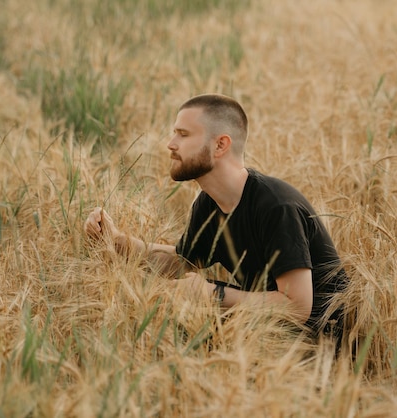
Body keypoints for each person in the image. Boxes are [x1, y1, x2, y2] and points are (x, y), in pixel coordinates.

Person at [84, 93, 347, 343]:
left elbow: (298, 307)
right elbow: (180, 262)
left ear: (220, 145)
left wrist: (214, 294)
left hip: (321, 342)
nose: (170, 144)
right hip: (265, 330)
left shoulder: (276, 206)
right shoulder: (208, 203)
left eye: (183, 134)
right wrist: (116, 240)